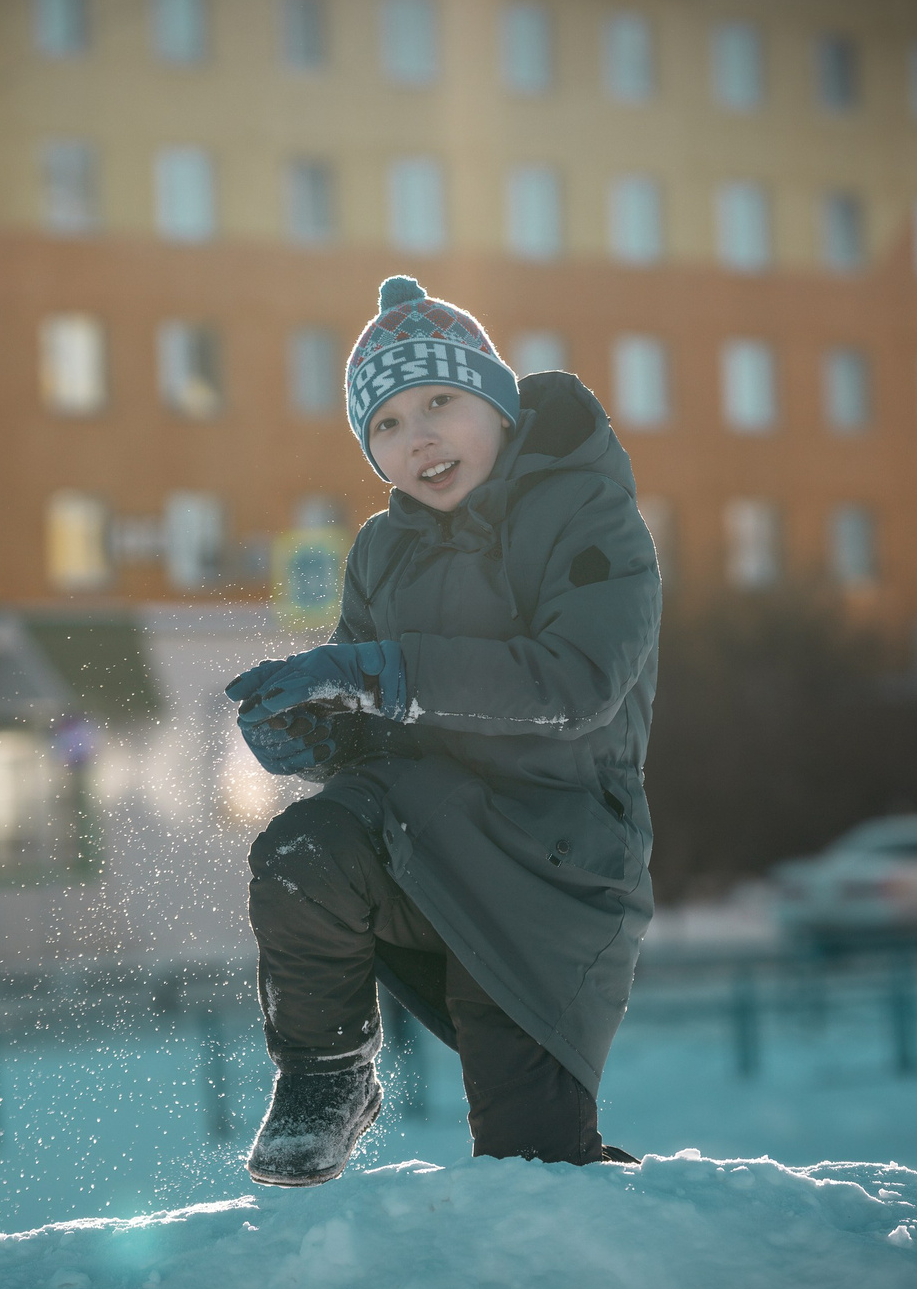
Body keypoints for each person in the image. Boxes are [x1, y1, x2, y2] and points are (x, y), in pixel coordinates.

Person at [227, 276, 661, 1186]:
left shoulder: (586, 514)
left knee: (534, 1169)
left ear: (497, 405)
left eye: (439, 401)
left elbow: (574, 685)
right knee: (301, 851)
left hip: (550, 871)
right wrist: (316, 736)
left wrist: (378, 672)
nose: (416, 435)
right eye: (384, 424)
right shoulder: (381, 552)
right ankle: (326, 1076)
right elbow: (373, 720)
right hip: (421, 845)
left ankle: (648, 1267)